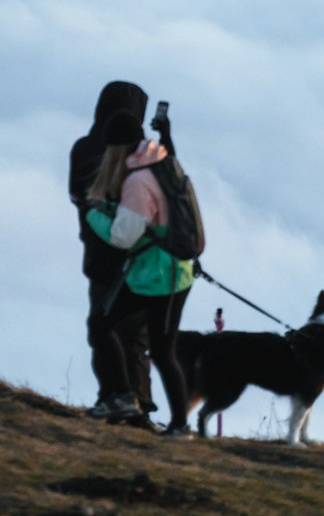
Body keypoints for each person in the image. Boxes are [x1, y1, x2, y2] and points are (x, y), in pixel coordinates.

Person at [86, 109, 195, 437]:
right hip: (173, 271)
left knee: (143, 342)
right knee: (145, 342)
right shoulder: (161, 161)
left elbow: (123, 236)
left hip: (160, 277)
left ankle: (168, 420)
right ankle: (148, 409)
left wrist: (93, 216)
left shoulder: (137, 181)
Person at [69, 81, 155, 424]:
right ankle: (137, 403)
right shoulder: (146, 154)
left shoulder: (86, 148)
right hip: (147, 258)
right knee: (135, 336)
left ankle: (114, 397)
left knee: (103, 329)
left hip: (103, 257)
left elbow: (81, 194)